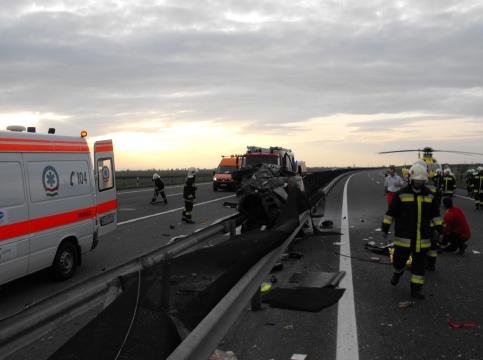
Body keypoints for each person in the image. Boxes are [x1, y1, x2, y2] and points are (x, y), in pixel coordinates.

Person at [382, 162, 443, 299]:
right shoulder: (401, 194)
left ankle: (415, 290)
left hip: (423, 238)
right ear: (411, 179)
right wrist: (385, 228)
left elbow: (435, 215)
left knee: (420, 267)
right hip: (404, 237)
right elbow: (390, 213)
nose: (419, 184)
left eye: (422, 181)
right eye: (417, 181)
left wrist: (440, 230)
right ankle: (397, 273)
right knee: (399, 261)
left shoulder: (429, 195)